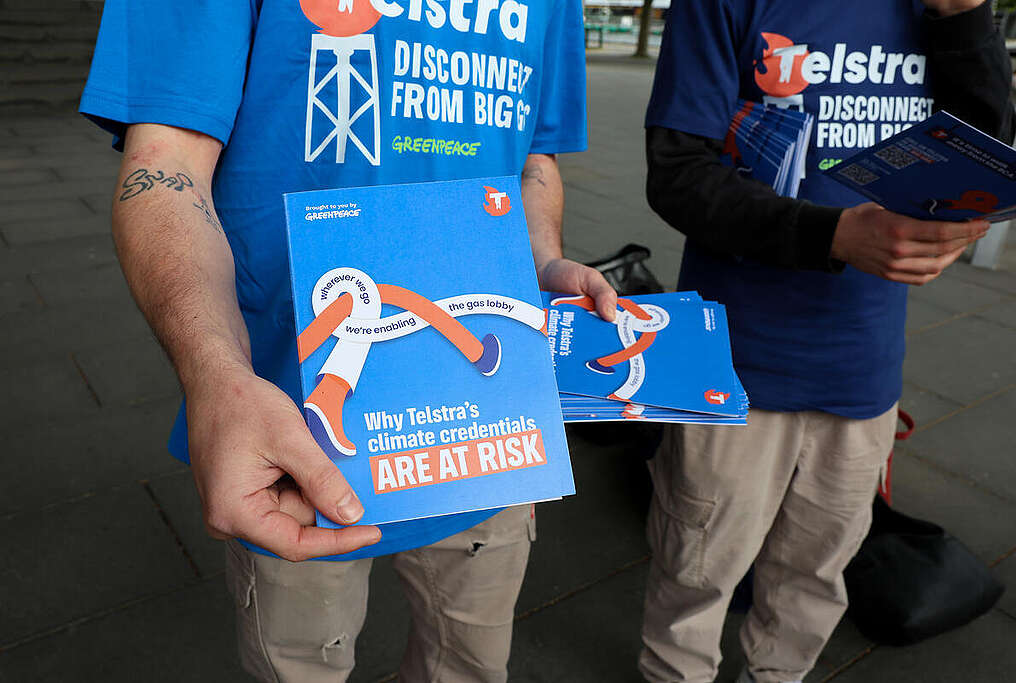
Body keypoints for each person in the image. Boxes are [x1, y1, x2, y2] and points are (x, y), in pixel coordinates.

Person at [79, 1, 616, 680]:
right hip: (291, 432)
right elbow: (166, 162)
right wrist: (215, 373)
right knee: (301, 661)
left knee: (472, 662)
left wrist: (541, 261)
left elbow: (535, 154)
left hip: (485, 421)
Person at [641, 1, 1014, 682]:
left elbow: (984, 146)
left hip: (861, 367)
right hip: (732, 359)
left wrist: (964, 18)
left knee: (813, 578)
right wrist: (834, 237)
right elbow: (676, 172)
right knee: (695, 572)